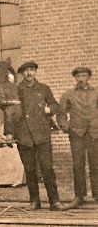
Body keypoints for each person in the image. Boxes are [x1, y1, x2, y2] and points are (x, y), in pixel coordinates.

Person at [10, 61, 66, 211]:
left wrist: (49, 109)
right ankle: (34, 202)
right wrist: (9, 133)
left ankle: (54, 201)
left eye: (32, 70)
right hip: (24, 135)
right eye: (26, 71)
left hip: (42, 135)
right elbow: (9, 113)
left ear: (35, 72)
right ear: (22, 73)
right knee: (30, 169)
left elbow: (55, 105)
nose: (29, 73)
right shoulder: (16, 90)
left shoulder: (44, 89)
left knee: (47, 168)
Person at [57, 66, 98, 209]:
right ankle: (79, 196)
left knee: (96, 164)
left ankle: (97, 195)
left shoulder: (96, 92)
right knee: (78, 165)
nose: (81, 79)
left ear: (88, 77)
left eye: (84, 75)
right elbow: (61, 113)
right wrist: (66, 127)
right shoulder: (68, 94)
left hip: (94, 133)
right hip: (77, 134)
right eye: (78, 76)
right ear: (75, 78)